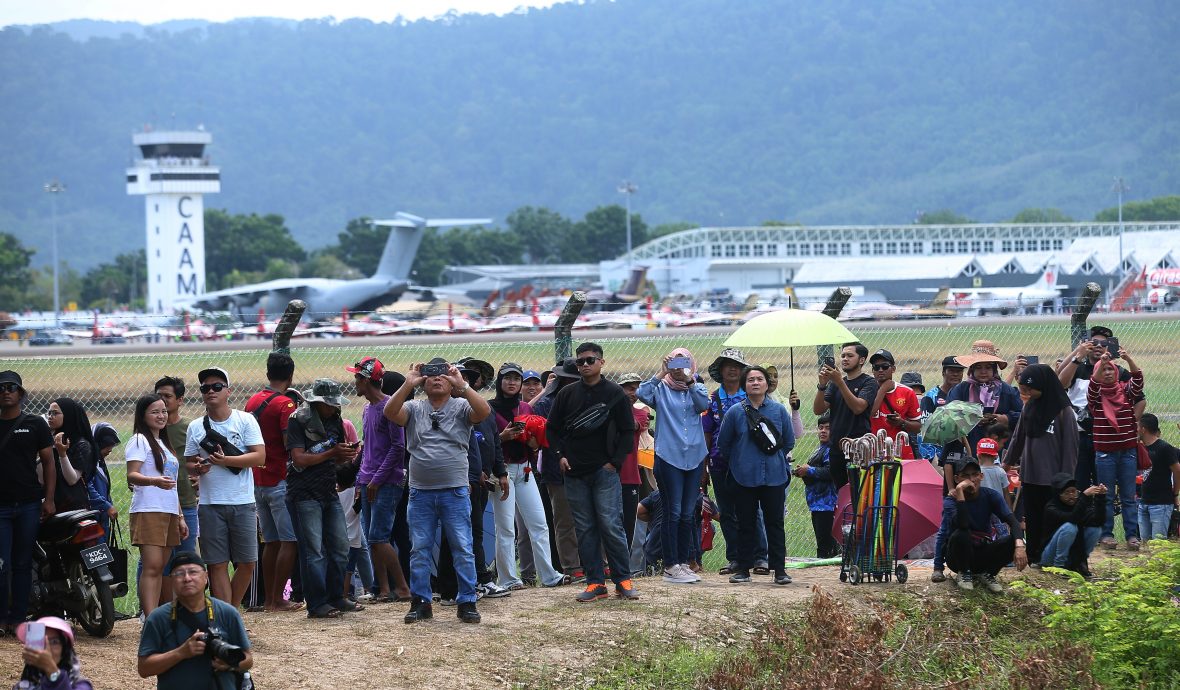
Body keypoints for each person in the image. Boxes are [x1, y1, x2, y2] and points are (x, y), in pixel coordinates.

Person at [384, 358, 491, 624]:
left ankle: (467, 601)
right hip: (421, 492)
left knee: (463, 547)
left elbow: (484, 411)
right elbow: (389, 412)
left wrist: (462, 385)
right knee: (419, 549)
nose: (437, 378)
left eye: (443, 374)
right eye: (431, 375)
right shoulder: (413, 407)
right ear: (423, 381)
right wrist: (408, 384)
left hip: (454, 490)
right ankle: (421, 602)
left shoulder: (462, 406)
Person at [545, 343, 639, 602]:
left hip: (604, 472)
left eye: (589, 360)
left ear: (601, 362)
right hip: (574, 472)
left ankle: (623, 579)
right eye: (580, 362)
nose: (584, 365)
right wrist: (559, 456)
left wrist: (615, 463)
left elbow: (627, 431)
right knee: (584, 528)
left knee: (611, 524)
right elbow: (551, 429)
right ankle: (595, 582)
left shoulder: (614, 394)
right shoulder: (567, 395)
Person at [183, 367, 265, 607]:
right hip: (210, 504)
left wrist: (226, 461)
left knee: (248, 562)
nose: (210, 391)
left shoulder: (245, 420)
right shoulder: (196, 426)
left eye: (217, 386)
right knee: (216, 563)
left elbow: (259, 457)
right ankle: (225, 618)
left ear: (228, 391)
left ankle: (229, 612)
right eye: (205, 388)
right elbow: (189, 462)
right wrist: (197, 467)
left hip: (242, 502)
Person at [285, 378, 361, 619]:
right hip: (304, 493)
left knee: (340, 547)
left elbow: (334, 457)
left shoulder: (335, 419)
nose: (333, 408)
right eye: (329, 404)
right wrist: (333, 453)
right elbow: (298, 459)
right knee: (314, 552)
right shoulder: (298, 420)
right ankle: (317, 603)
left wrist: (344, 455)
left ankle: (336, 596)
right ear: (316, 403)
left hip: (328, 490)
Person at [489, 362, 565, 589]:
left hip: (525, 470)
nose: (512, 382)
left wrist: (533, 444)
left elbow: (535, 444)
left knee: (539, 524)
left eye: (516, 378)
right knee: (505, 528)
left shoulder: (525, 408)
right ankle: (509, 579)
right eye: (507, 378)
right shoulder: (489, 408)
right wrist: (503, 437)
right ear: (499, 382)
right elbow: (487, 443)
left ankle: (549, 575)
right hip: (501, 470)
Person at [637, 348, 710, 585]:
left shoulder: (696, 386)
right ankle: (670, 565)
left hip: (695, 456)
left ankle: (684, 562)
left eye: (685, 361)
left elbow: (702, 404)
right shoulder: (661, 388)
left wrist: (689, 380)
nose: (680, 367)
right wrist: (661, 372)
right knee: (673, 511)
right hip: (669, 457)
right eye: (675, 361)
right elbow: (642, 394)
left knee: (689, 513)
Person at [718, 365, 796, 585]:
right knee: (745, 523)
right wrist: (741, 460)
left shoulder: (779, 410)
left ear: (766, 384)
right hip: (744, 477)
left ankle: (779, 570)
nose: (755, 383)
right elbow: (724, 444)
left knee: (775, 523)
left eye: (759, 379)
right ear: (744, 385)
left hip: (774, 476)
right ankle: (743, 569)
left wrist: (773, 458)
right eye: (750, 380)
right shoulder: (735, 412)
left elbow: (788, 440)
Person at [138, 552, 253, 690]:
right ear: (171, 580)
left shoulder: (227, 613)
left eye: (193, 572)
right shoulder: (158, 618)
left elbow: (248, 659)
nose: (187, 578)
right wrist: (180, 653)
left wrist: (230, 664)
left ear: (206, 577)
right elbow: (144, 668)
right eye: (179, 574)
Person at [349, 357, 412, 602]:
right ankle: (383, 589)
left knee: (378, 536)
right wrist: (361, 481)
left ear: (366, 380)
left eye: (357, 377)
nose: (354, 382)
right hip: (368, 480)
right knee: (373, 536)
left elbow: (398, 447)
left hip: (387, 481)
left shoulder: (391, 408)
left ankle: (403, 588)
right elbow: (368, 448)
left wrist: (375, 480)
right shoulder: (366, 409)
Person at [244, 353, 302, 613]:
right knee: (289, 540)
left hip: (258, 478)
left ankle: (268, 599)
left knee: (271, 541)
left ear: (268, 374)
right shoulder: (286, 405)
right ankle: (278, 598)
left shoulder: (252, 401)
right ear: (290, 376)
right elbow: (290, 442)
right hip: (280, 477)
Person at [702, 347, 766, 575]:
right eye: (727, 365)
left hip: (749, 464)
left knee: (753, 510)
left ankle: (760, 557)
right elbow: (707, 435)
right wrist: (705, 468)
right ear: (720, 370)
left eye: (737, 366)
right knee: (728, 513)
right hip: (721, 464)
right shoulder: (712, 400)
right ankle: (736, 559)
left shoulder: (753, 397)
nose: (732, 369)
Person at [0, 372, 55, 633]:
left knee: (22, 563)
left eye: (12, 388)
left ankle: (19, 618)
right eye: (1, 388)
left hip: (29, 504)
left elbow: (48, 462)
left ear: (21, 393)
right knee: (2, 563)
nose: (6, 392)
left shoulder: (35, 424)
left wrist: (50, 499)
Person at [1057, 326, 1145, 489]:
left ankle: (1103, 514)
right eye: (1094, 342)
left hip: (1108, 438)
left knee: (1104, 485)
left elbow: (1140, 400)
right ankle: (1083, 513)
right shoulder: (1078, 368)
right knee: (1079, 482)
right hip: (1079, 436)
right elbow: (1060, 382)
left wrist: (1129, 424)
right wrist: (1078, 353)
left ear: (1109, 347)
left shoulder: (1117, 371)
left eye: (1103, 343)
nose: (1098, 346)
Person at [1006, 364, 1077, 564]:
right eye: (1023, 390)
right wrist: (1008, 461)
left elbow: (1071, 447)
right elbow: (1018, 437)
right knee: (1033, 517)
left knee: (1051, 519)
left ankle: (1052, 557)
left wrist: (1067, 480)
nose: (1026, 394)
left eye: (1029, 390)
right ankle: (1035, 555)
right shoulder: (1030, 407)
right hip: (1030, 475)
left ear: (1043, 386)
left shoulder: (1063, 411)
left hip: (1053, 479)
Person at [126, 394, 188, 617]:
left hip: (168, 511)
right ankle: (150, 619)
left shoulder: (164, 443)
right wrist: (153, 481)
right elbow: (131, 475)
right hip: (148, 510)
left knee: (161, 568)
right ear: (143, 416)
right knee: (151, 567)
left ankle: (159, 616)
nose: (161, 416)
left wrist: (180, 516)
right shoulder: (139, 440)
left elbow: (171, 485)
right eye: (155, 412)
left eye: (163, 411)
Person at [454, 358, 511, 598]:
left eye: (475, 375)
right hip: (467, 479)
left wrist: (502, 472)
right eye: (465, 374)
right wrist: (473, 473)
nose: (472, 379)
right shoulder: (455, 408)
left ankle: (479, 578)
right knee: (468, 530)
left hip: (483, 480)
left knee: (475, 530)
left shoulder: (485, 410)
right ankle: (479, 579)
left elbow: (494, 442)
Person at [945, 341, 1023, 489]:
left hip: (1000, 450)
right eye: (979, 367)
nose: (983, 371)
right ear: (972, 369)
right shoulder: (960, 390)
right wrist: (971, 419)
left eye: (988, 367)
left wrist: (1004, 419)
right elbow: (949, 414)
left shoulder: (1006, 391)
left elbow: (1023, 415)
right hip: (969, 447)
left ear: (994, 369)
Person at [532, 358, 583, 580]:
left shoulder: (586, 397)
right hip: (556, 469)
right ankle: (572, 567)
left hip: (584, 466)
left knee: (591, 517)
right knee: (564, 521)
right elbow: (531, 414)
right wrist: (546, 390)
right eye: (568, 379)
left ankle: (597, 562)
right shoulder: (546, 403)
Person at [1087, 347, 1144, 550]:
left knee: (1129, 496)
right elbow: (1093, 384)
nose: (1108, 373)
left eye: (1111, 369)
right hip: (1105, 454)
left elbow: (1138, 380)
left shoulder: (1125, 391)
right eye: (1104, 370)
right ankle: (1107, 534)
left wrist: (1128, 358)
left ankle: (1131, 536)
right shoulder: (1096, 396)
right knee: (1107, 496)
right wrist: (1100, 364)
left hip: (1128, 452)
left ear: (1117, 372)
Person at [944, 458, 1027, 593]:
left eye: (975, 475)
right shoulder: (950, 501)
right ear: (957, 478)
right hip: (958, 555)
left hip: (982, 551)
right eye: (965, 476)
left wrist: (1019, 546)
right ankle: (964, 573)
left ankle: (988, 574)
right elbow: (963, 524)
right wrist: (959, 491)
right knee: (962, 533)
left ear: (981, 476)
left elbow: (1013, 522)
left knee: (1014, 539)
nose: (971, 479)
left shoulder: (990, 495)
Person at [813, 342, 878, 491]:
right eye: (842, 356)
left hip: (858, 448)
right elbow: (818, 409)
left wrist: (840, 382)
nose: (844, 359)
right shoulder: (835, 384)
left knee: (860, 493)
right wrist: (822, 385)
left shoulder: (868, 382)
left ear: (861, 360)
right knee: (841, 493)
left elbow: (858, 408)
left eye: (850, 355)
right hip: (837, 448)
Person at [154, 377, 199, 565]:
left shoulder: (189, 427)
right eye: (159, 396)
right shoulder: (151, 430)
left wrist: (199, 476)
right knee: (157, 561)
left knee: (185, 557)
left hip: (186, 500)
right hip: (157, 503)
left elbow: (200, 459)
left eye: (168, 396)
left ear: (180, 400)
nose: (162, 400)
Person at [793, 413, 840, 558]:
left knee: (826, 546)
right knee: (823, 542)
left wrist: (809, 470)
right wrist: (803, 472)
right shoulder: (820, 449)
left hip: (828, 504)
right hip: (817, 504)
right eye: (820, 428)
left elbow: (831, 472)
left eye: (827, 428)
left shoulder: (834, 450)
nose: (823, 431)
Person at [1040, 473, 1104, 576]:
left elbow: (1098, 521)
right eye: (1067, 492)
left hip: (1073, 555)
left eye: (1074, 492)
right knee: (1070, 527)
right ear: (1058, 494)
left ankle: (1080, 562)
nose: (1071, 496)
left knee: (1095, 529)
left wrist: (1101, 498)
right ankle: (1058, 567)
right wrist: (1084, 497)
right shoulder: (1051, 508)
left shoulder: (1079, 504)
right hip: (1049, 557)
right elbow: (1072, 518)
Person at [867, 350, 921, 459]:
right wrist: (883, 390)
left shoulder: (907, 392)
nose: (880, 370)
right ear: (873, 371)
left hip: (900, 452)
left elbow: (917, 427)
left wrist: (902, 422)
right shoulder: (867, 390)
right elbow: (869, 414)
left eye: (885, 366)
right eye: (876, 367)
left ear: (893, 369)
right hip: (873, 453)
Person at [12, 616, 93, 690]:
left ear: (64, 650)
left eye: (54, 642)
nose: (47, 648)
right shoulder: (22, 687)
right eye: (41, 641)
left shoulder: (82, 686)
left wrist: (52, 671)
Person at [46, 399, 97, 514]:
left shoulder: (81, 444)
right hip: (48, 501)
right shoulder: (49, 439)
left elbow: (72, 479)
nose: (50, 416)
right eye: (49, 413)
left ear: (68, 415)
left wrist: (62, 454)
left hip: (71, 504)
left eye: (55, 413)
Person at [617, 372, 649, 553]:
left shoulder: (641, 413)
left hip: (630, 476)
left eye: (637, 388)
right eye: (629, 388)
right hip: (611, 474)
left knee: (629, 522)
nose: (634, 392)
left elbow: (631, 424)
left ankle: (623, 562)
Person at [1138, 414, 1180, 540]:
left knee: (1158, 545)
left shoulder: (1164, 448)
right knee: (1145, 543)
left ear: (1143, 429)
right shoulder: (1141, 448)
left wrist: (1175, 494)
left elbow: (1177, 471)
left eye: (1137, 427)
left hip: (1161, 504)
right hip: (1144, 502)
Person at [919, 356, 966, 461]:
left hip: (962, 454)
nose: (955, 374)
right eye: (951, 371)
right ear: (943, 372)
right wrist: (931, 458)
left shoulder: (965, 396)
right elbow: (925, 431)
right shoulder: (931, 397)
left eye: (959, 371)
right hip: (938, 455)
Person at [87, 423, 120, 543]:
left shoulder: (99, 462)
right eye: (107, 445)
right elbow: (88, 488)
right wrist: (107, 506)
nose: (110, 449)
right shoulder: (89, 463)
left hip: (102, 518)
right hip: (93, 518)